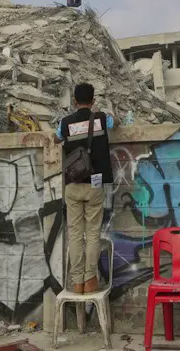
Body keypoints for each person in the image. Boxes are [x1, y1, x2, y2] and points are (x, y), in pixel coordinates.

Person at [54, 83, 114, 294]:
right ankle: (90, 280)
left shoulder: (65, 122)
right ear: (93, 100)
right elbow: (115, 122)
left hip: (73, 184)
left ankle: (77, 281)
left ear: (74, 102)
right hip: (94, 183)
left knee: (75, 235)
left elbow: (56, 138)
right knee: (93, 233)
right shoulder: (102, 119)